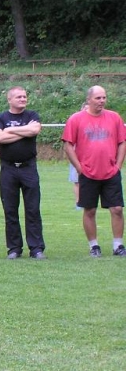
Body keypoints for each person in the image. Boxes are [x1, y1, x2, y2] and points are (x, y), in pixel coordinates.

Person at [61, 85, 126, 257]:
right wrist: (79, 167)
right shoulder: (76, 119)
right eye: (98, 98)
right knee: (89, 210)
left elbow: (122, 142)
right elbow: (68, 145)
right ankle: (94, 246)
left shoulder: (114, 117)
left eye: (104, 97)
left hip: (111, 173)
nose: (102, 101)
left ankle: (118, 245)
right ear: (88, 99)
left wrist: (118, 166)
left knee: (117, 209)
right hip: (88, 173)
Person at [0, 86, 46, 259]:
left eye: (24, 96)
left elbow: (35, 130)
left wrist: (9, 130)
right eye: (19, 97)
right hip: (8, 169)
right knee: (10, 210)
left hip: (28, 168)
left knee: (33, 209)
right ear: (10, 99)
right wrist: (24, 131)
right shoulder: (0, 118)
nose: (23, 99)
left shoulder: (32, 115)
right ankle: (14, 248)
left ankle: (36, 248)